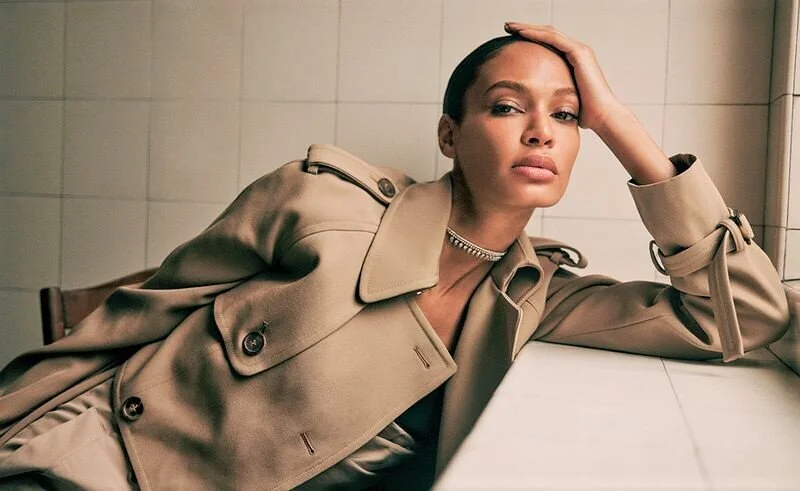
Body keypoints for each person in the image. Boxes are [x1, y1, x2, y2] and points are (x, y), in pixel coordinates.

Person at [0, 23, 790, 490]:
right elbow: (136, 318)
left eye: (568, 116)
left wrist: (619, 122)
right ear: (450, 134)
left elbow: (745, 315)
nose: (541, 132)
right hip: (96, 464)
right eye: (507, 107)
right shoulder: (323, 202)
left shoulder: (534, 299)